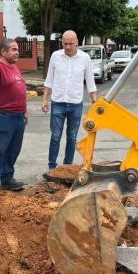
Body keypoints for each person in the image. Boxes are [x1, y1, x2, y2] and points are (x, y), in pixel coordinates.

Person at [42, 30, 97, 169]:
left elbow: (90, 81)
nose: (68, 47)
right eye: (65, 44)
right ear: (62, 43)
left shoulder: (85, 58)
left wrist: (94, 101)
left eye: (71, 44)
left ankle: (67, 167)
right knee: (55, 137)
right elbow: (49, 80)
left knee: (71, 138)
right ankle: (52, 167)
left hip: (75, 105)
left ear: (77, 42)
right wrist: (44, 100)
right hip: (58, 103)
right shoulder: (55, 56)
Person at [0, 39, 29, 191]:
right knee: (0, 149)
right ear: (4, 52)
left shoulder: (14, 67)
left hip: (18, 116)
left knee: (13, 149)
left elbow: (20, 88)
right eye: (14, 49)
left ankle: (7, 178)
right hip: (1, 115)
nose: (17, 52)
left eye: (17, 49)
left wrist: (25, 110)